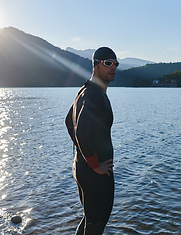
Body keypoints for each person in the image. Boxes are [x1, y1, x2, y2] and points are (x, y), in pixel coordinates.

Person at [65, 47, 119, 234]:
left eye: (115, 63)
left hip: (83, 168)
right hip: (96, 173)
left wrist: (83, 155)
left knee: (90, 219)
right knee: (97, 223)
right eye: (107, 63)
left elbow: (68, 121)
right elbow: (81, 130)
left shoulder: (85, 90)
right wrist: (95, 165)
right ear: (95, 65)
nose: (113, 67)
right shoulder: (94, 94)